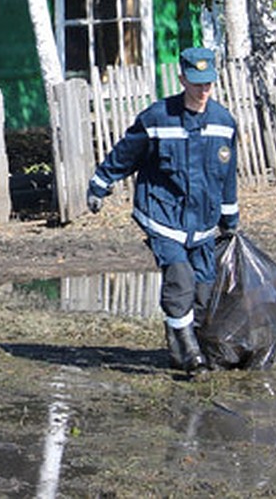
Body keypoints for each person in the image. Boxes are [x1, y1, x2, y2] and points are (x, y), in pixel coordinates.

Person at [85, 46, 239, 373]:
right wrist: (100, 184)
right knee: (179, 278)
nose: (202, 90)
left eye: (208, 83)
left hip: (203, 223)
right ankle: (187, 352)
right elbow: (126, 154)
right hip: (163, 216)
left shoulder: (224, 123)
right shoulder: (157, 118)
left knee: (203, 287)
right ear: (182, 79)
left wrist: (230, 219)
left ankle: (184, 341)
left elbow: (227, 177)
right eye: (196, 83)